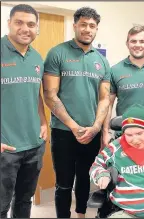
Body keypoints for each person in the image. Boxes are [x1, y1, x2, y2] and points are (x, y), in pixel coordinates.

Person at [43, 7, 111, 218]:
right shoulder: (58, 53)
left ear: (96, 29)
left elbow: (104, 98)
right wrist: (74, 126)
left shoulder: (101, 61)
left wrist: (97, 128)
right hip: (63, 132)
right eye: (83, 24)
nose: (87, 29)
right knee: (63, 184)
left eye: (92, 26)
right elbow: (49, 94)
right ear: (75, 26)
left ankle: (81, 214)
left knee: (84, 179)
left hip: (91, 132)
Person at [1, 4, 47, 218]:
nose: (25, 28)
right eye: (19, 22)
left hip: (34, 146)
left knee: (23, 202)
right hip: (6, 148)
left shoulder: (37, 57)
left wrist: (44, 122)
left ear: (36, 28)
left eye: (31, 24)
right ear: (9, 23)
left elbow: (35, 94)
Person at [102, 25, 144, 146]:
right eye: (133, 41)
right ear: (127, 43)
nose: (137, 45)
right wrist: (105, 132)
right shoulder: (115, 70)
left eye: (142, 41)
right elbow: (108, 104)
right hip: (125, 136)